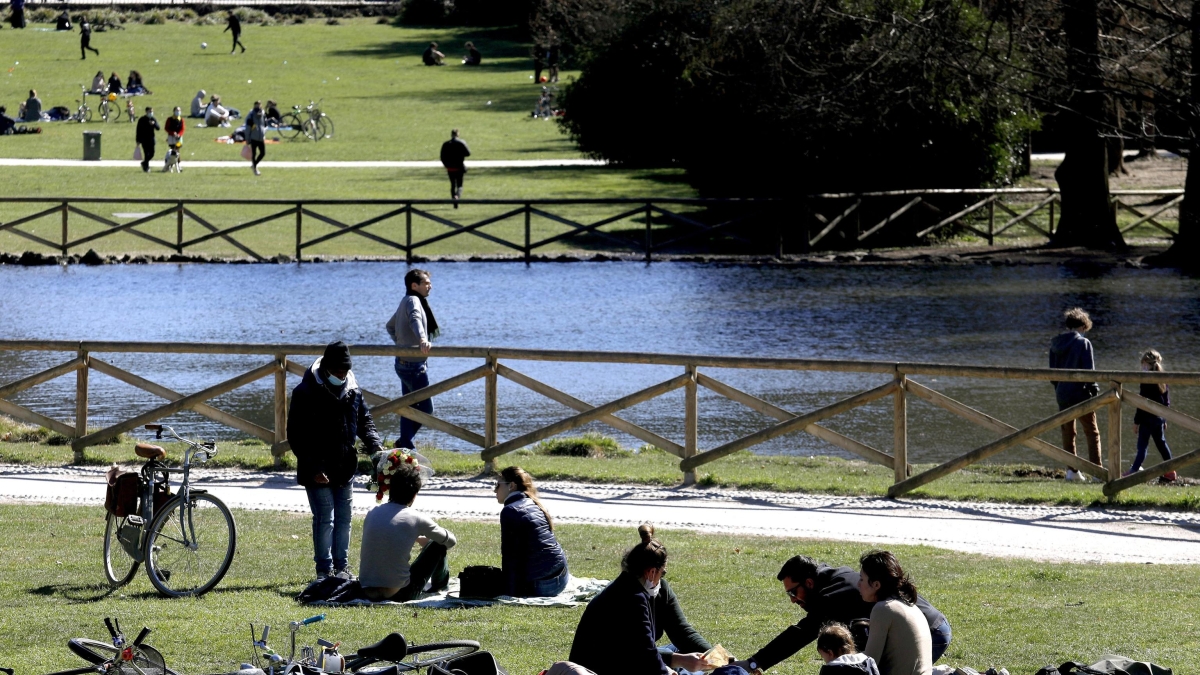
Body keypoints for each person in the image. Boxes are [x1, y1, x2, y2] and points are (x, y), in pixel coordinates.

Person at [733, 555, 949, 673]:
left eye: (793, 592)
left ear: (809, 582)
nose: (792, 599)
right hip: (930, 623)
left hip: (932, 631)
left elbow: (800, 634)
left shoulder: (834, 596)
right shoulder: (832, 579)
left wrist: (754, 663)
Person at [286, 341, 385, 581]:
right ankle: (324, 570)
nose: (342, 376)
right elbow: (295, 436)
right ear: (327, 369)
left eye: (345, 372)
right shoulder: (304, 392)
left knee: (344, 519)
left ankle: (342, 568)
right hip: (317, 468)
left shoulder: (353, 389)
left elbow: (365, 422)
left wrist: (375, 447)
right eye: (338, 372)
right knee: (325, 518)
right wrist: (314, 467)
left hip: (345, 466)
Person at [569, 524, 710, 675]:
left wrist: (716, 657)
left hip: (631, 658)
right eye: (662, 573)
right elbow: (641, 654)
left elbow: (682, 632)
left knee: (685, 653)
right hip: (602, 666)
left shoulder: (658, 590)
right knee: (687, 666)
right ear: (651, 572)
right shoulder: (631, 598)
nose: (662, 578)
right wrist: (677, 662)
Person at [359, 449, 456, 601]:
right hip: (399, 594)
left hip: (366, 591)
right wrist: (425, 538)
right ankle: (440, 586)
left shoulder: (372, 512)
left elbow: (388, 535)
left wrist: (415, 536)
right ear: (414, 494)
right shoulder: (416, 517)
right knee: (437, 545)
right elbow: (450, 541)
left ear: (391, 489)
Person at [385, 268, 439, 449]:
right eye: (426, 283)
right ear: (414, 285)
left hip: (404, 363)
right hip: (412, 366)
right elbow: (415, 318)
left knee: (408, 406)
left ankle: (403, 445)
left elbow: (390, 326)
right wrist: (422, 339)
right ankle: (405, 444)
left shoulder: (406, 301)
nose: (430, 286)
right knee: (427, 408)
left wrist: (401, 344)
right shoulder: (413, 301)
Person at [497, 466, 569, 597]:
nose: (494, 490)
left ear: (511, 486)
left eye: (498, 485)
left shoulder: (510, 511)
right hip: (562, 576)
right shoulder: (533, 503)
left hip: (544, 585)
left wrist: (508, 592)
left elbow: (510, 556)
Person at [1049, 307, 1102, 479]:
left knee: (1068, 432)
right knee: (1092, 432)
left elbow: (1052, 374)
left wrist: (1059, 388)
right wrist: (1095, 393)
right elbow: (1090, 374)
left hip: (1062, 393)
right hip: (1081, 394)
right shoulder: (1083, 343)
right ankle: (1097, 471)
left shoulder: (1055, 345)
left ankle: (1072, 471)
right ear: (1083, 326)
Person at [857, 551, 931, 675]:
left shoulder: (884, 608)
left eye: (861, 579)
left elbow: (869, 663)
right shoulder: (910, 606)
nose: (858, 584)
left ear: (876, 585)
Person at [1128, 349, 1175, 480]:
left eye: (1143, 364)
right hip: (1158, 419)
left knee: (1142, 447)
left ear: (1146, 364)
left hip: (1146, 419)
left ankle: (1134, 470)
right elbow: (1166, 402)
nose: (1142, 367)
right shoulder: (1163, 379)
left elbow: (1141, 403)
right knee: (1162, 444)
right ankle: (1171, 471)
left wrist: (1136, 422)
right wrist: (1164, 419)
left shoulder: (1145, 380)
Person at [440, 129, 470, 207]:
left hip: (450, 168)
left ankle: (454, 201)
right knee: (460, 185)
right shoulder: (461, 143)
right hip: (459, 167)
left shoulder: (446, 144)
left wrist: (446, 165)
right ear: (458, 135)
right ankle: (457, 197)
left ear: (451, 135)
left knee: (453, 185)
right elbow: (468, 153)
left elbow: (442, 157)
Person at [135, 106, 159, 173]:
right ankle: (146, 167)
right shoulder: (142, 120)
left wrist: (154, 124)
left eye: (152, 111)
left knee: (152, 153)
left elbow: (158, 128)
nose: (151, 113)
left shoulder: (153, 119)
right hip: (144, 139)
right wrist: (138, 140)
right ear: (146, 112)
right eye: (150, 111)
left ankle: (144, 163)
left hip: (151, 139)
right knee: (146, 153)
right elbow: (138, 130)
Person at [246, 100, 266, 176]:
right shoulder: (251, 115)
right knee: (254, 154)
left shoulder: (263, 114)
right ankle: (255, 169)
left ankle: (254, 165)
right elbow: (248, 127)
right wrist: (247, 138)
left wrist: (264, 132)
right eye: (256, 105)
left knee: (263, 153)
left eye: (259, 105)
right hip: (253, 137)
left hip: (261, 137)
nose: (258, 106)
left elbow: (265, 124)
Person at [163, 106, 185, 172]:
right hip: (171, 138)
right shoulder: (169, 119)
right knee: (172, 151)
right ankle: (170, 165)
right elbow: (166, 128)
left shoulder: (181, 119)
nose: (178, 112)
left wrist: (179, 134)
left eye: (179, 110)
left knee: (177, 151)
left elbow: (182, 129)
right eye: (176, 110)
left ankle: (178, 164)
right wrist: (173, 133)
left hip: (178, 138)